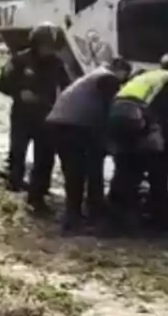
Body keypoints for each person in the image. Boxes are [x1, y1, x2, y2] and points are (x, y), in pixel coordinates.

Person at [107, 53, 168, 228]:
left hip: (116, 111)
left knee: (127, 164)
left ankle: (115, 212)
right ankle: (159, 215)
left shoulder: (148, 75)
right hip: (137, 113)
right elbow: (167, 112)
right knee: (156, 164)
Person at [46, 57, 133, 234]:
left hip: (58, 122)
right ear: (120, 70)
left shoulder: (92, 76)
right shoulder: (108, 78)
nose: (123, 82)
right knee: (92, 170)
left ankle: (73, 216)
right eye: (125, 77)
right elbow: (109, 109)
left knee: (74, 173)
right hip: (76, 126)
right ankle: (92, 215)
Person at [0, 23, 72, 213]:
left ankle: (37, 197)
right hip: (23, 114)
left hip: (46, 115)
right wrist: (18, 93)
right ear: (36, 43)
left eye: (52, 47)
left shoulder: (58, 64)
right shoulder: (20, 60)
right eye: (46, 46)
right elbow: (1, 83)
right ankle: (13, 190)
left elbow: (67, 88)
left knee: (45, 157)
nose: (48, 51)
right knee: (18, 152)